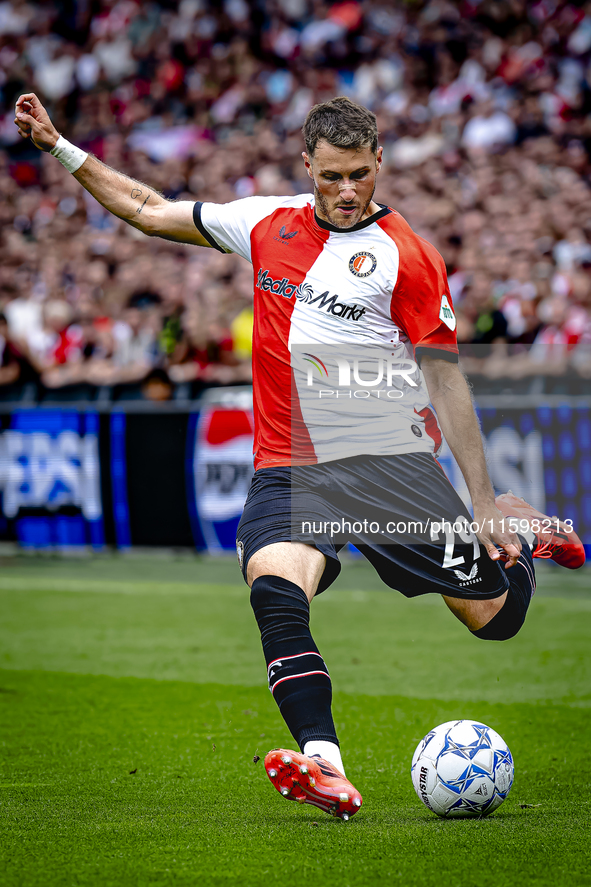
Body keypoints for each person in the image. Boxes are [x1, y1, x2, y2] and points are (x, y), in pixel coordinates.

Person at [14, 93, 585, 821]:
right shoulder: (262, 221)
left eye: (359, 175)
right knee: (274, 588)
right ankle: (325, 763)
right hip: (289, 464)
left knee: (494, 618)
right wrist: (61, 147)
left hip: (387, 463)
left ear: (378, 163)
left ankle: (524, 528)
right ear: (305, 164)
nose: (346, 192)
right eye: (331, 176)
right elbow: (149, 208)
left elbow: (444, 377)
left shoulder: (405, 255)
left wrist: (479, 499)